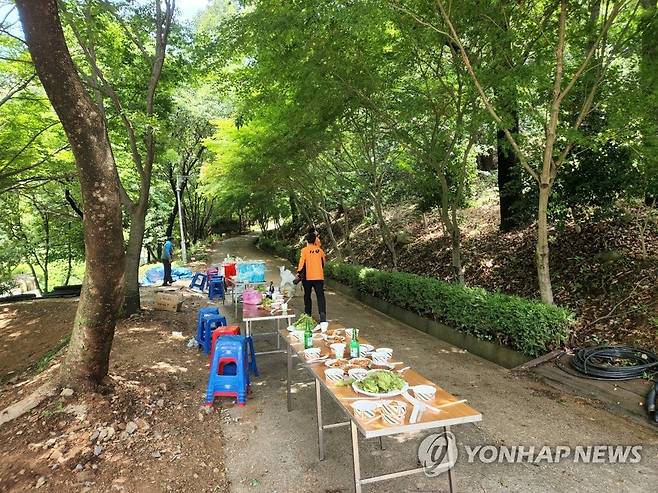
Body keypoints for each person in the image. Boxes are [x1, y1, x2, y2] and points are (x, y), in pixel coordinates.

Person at [297, 231, 327, 322]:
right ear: (315, 240)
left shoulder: (304, 250)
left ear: (306, 241)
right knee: (320, 296)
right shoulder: (320, 251)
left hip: (307, 277)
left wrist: (299, 273)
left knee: (307, 296)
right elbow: (323, 263)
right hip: (319, 277)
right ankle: (322, 314)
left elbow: (301, 264)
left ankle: (308, 315)